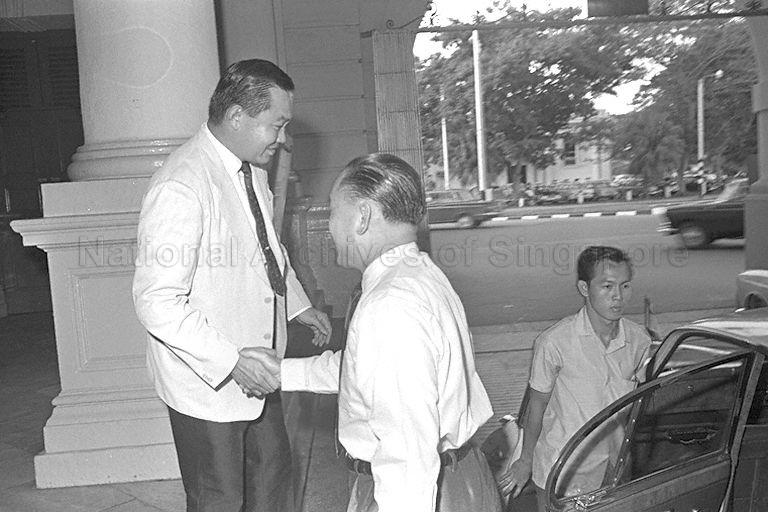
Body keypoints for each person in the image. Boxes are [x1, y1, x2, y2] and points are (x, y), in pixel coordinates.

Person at [132, 59, 331, 512]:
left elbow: (266, 252)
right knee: (218, 499)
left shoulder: (250, 170)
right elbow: (156, 301)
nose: (281, 138)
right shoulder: (181, 184)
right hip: (210, 382)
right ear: (238, 116)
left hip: (260, 368)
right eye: (275, 125)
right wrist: (231, 362)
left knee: (271, 488)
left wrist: (298, 306)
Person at [280, 153, 502, 512]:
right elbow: (363, 372)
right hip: (455, 481)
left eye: (334, 210)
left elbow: (407, 453)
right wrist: (277, 373)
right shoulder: (419, 274)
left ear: (363, 216)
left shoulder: (390, 305)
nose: (330, 226)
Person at [498, 246, 651, 511]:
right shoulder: (554, 342)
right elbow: (536, 408)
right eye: (607, 286)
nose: (618, 297)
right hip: (561, 471)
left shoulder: (639, 341)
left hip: (613, 471)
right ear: (584, 288)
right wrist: (525, 460)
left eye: (625, 286)